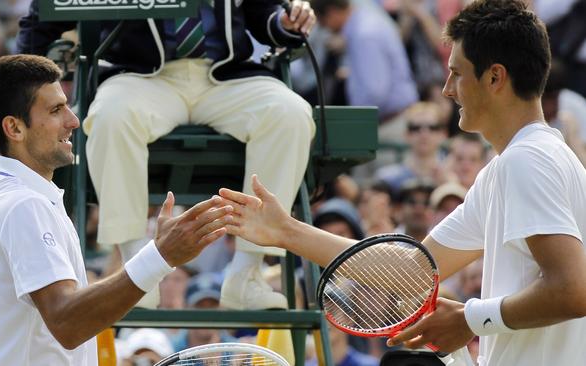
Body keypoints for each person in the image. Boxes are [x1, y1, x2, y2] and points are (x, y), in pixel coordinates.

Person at [219, 1, 586, 365]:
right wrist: (287, 231)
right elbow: (412, 271)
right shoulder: (513, 164)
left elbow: (573, 290)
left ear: (494, 78)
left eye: (457, 73)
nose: (446, 89)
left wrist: (469, 319)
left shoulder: (528, 160)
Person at [17, 0, 317, 311]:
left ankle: (247, 273)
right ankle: (134, 272)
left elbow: (262, 14)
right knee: (112, 114)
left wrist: (285, 21)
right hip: (142, 76)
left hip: (225, 75)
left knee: (290, 113)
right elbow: (43, 16)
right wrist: (17, 83)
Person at [0, 54, 233, 365]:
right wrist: (160, 256)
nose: (73, 120)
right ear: (14, 128)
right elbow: (67, 321)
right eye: (55, 110)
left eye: (66, 105)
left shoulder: (1, 197)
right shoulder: (24, 205)